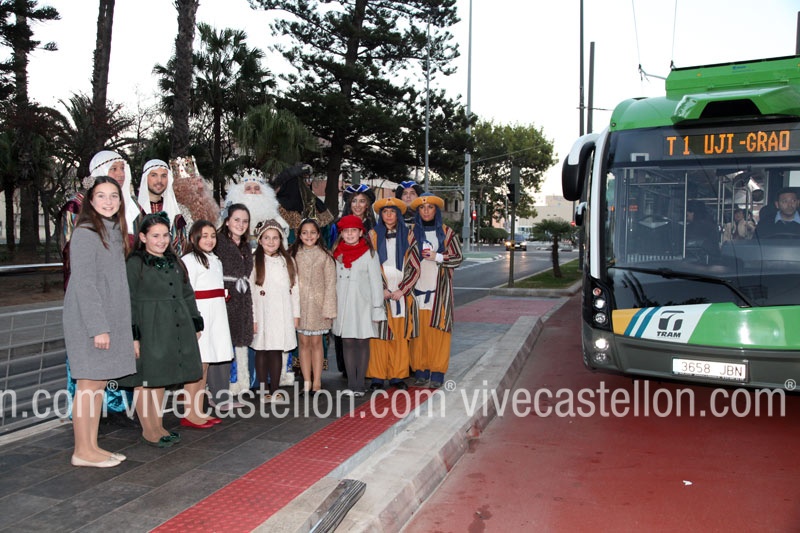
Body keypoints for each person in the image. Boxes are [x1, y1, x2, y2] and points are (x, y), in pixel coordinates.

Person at [59, 150, 138, 426]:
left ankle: (91, 445)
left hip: (109, 318)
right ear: (90, 200)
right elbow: (84, 283)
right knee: (89, 385)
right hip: (91, 321)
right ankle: (83, 446)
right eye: (101, 196)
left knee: (98, 384)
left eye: (114, 196)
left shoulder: (113, 231)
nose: (109, 201)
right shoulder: (85, 232)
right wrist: (98, 328)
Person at [119, 213, 204, 448]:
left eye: (165, 235)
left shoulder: (174, 261)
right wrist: (133, 336)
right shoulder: (135, 264)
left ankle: (158, 425)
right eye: (155, 236)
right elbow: (128, 300)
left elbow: (187, 293)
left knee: (159, 379)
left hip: (172, 325)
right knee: (145, 379)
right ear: (143, 237)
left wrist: (195, 321)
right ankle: (148, 429)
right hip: (149, 327)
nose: (161, 240)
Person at [180, 220, 232, 428]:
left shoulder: (215, 260)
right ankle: (189, 412)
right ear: (194, 237)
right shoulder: (189, 260)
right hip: (201, 317)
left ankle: (199, 409)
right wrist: (192, 323)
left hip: (215, 318)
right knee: (197, 366)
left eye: (212, 236)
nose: (209, 240)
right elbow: (186, 293)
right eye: (204, 236)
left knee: (206, 364)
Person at [409, 193, 463, 388]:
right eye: (422, 208)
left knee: (439, 333)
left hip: (440, 294)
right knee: (418, 334)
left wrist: (438, 257)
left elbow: (458, 258)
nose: (426, 211)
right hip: (416, 292)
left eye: (430, 207)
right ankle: (421, 371)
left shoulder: (447, 233)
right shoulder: (410, 233)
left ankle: (438, 373)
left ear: (436, 210)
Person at [367, 197, 421, 391]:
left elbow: (415, 265)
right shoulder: (372, 235)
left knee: (399, 336)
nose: (389, 215)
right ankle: (377, 376)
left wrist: (402, 289)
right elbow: (368, 265)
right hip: (379, 292)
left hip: (400, 294)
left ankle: (397, 376)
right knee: (378, 336)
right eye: (385, 212)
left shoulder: (408, 235)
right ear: (380, 215)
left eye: (392, 212)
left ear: (398, 215)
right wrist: (380, 289)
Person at [331, 215, 386, 396]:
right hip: (344, 306)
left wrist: (377, 308)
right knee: (347, 342)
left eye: (353, 231)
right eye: (346, 231)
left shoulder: (369, 254)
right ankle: (351, 384)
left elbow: (376, 283)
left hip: (363, 306)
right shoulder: (337, 253)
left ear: (361, 232)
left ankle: (360, 385)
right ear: (341, 234)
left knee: (362, 342)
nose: (350, 234)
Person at [250, 219, 300, 403]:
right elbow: (250, 292)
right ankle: (264, 390)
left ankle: (275, 389)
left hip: (282, 312)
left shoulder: (288, 261)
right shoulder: (254, 261)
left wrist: (296, 314)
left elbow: (295, 289)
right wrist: (253, 318)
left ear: (281, 240)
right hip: (262, 311)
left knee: (276, 350)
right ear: (260, 240)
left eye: (275, 238)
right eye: (267, 238)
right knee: (262, 349)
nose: (271, 242)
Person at [331, 184, 376, 377]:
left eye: (362, 201)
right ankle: (347, 370)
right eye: (354, 201)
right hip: (344, 287)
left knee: (364, 333)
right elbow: (333, 252)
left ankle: (367, 370)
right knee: (345, 333)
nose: (358, 205)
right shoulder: (337, 227)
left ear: (367, 205)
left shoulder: (374, 227)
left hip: (364, 286)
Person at [290, 218, 337, 394]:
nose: (308, 236)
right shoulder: (294, 255)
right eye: (304, 233)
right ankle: (306, 381)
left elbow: (330, 284)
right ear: (299, 235)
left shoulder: (325, 256)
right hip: (300, 307)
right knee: (303, 343)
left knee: (317, 343)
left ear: (318, 235)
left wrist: (329, 308)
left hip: (319, 307)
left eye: (312, 232)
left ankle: (317, 381)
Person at [215, 204, 255, 398]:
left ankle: (242, 381)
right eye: (236, 220)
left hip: (243, 297)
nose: (241, 224)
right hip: (226, 297)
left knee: (241, 340)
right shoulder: (218, 243)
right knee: (227, 340)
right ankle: (228, 384)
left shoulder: (246, 246)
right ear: (227, 221)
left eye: (245, 221)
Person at [137, 159, 188, 255]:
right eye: (154, 175)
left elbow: (182, 246)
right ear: (145, 178)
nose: (159, 181)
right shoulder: (134, 210)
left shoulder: (175, 210)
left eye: (164, 176)